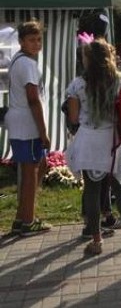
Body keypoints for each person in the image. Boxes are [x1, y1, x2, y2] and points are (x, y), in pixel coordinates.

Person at [66, 39, 121, 255]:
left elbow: (73, 117)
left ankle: (96, 240)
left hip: (87, 139)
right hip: (111, 139)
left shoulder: (77, 84)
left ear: (87, 60)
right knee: (119, 185)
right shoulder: (119, 79)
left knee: (91, 190)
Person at [6, 21, 51, 236]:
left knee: (40, 166)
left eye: (39, 39)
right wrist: (43, 131)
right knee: (31, 172)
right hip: (27, 124)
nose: (36, 44)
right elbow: (33, 99)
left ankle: (21, 217)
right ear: (21, 41)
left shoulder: (20, 60)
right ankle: (27, 221)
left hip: (19, 122)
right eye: (31, 40)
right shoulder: (28, 64)